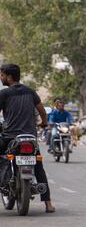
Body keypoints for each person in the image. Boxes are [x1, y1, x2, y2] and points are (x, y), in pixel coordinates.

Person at [0, 64, 55, 213]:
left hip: (10, 136)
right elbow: (42, 110)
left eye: (2, 75)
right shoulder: (30, 92)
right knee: (38, 168)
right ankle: (48, 204)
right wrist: (43, 122)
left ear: (9, 77)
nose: (1, 78)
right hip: (30, 137)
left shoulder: (4, 94)